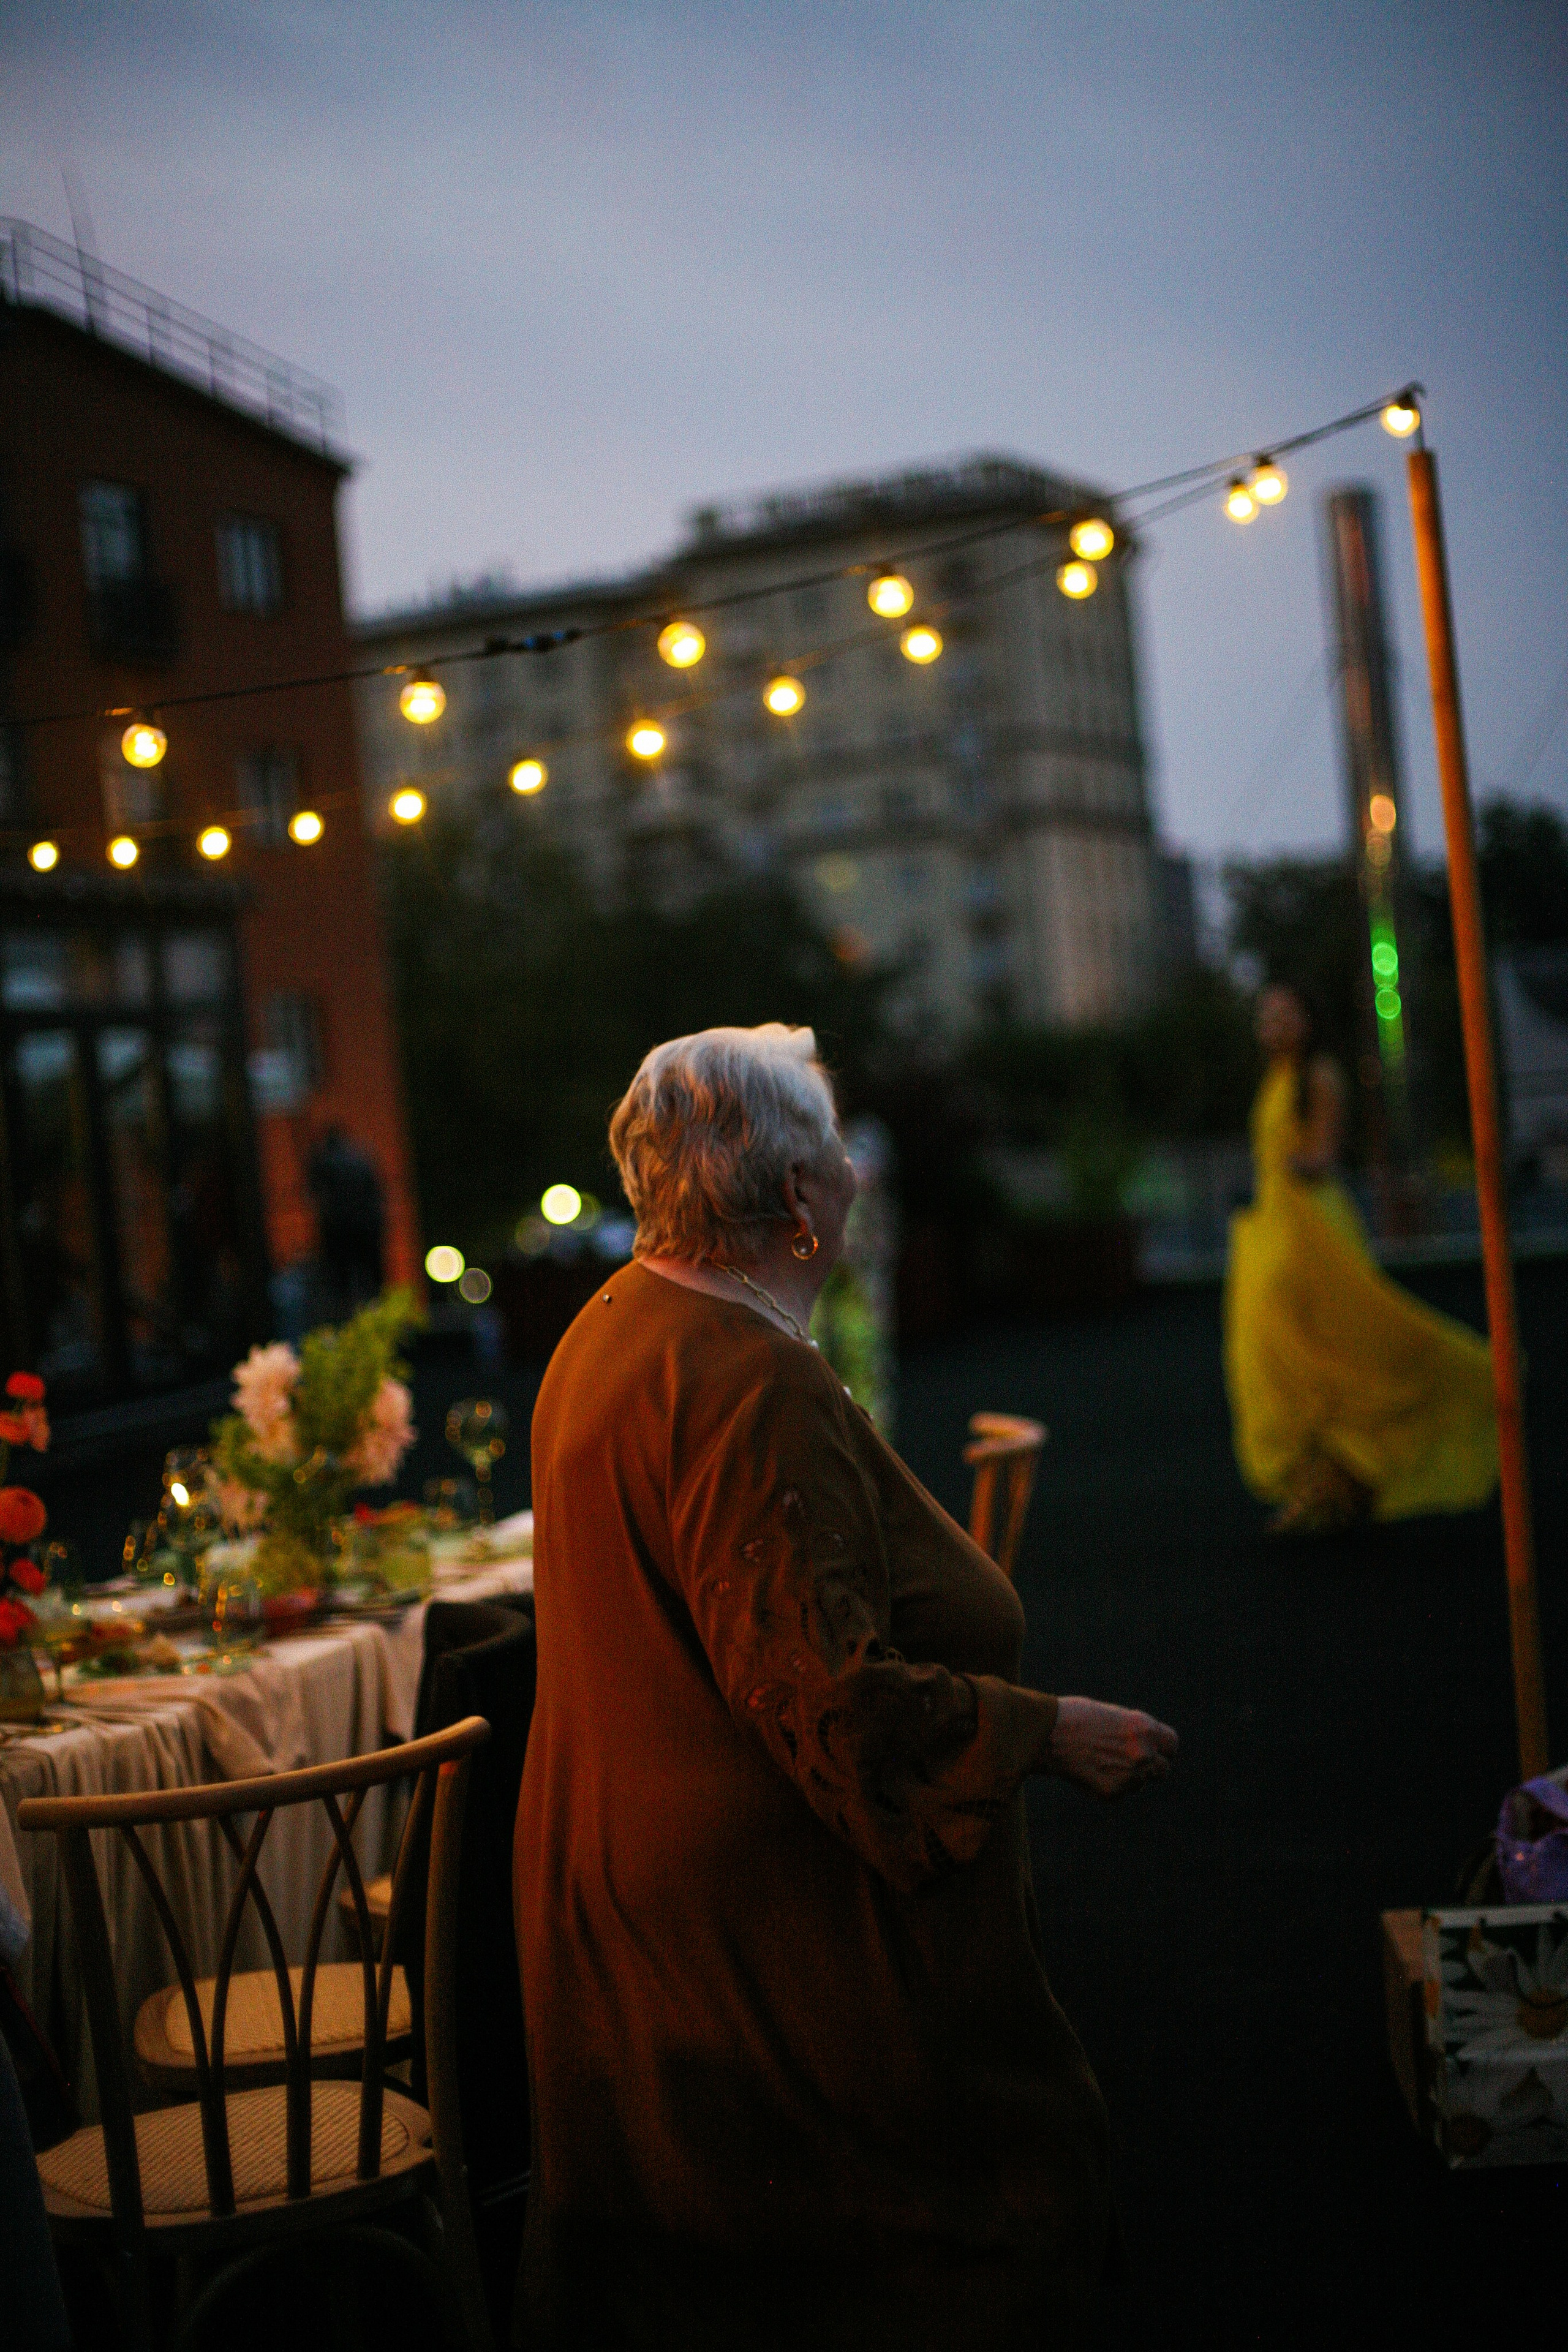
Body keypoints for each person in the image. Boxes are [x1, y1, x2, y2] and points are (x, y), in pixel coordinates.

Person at [515, 1023, 1178, 2350]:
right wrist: (1046, 1733)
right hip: (761, 1935)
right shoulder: (746, 1376)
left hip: (636, 1891)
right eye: (834, 1150)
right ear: (796, 1196)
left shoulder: (612, 1323)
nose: (856, 1173)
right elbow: (824, 1700)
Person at [1224, 982, 1498, 1532]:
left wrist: (1285, 1168)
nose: (1274, 1025)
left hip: (1308, 1225)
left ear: (1308, 1019)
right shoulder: (1275, 1077)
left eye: (1285, 1014)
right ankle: (1322, 1482)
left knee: (1329, 1342)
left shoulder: (1319, 1076)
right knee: (1269, 1351)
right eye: (1266, 1016)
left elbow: (1323, 1156)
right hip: (1272, 1224)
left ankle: (1356, 1464)